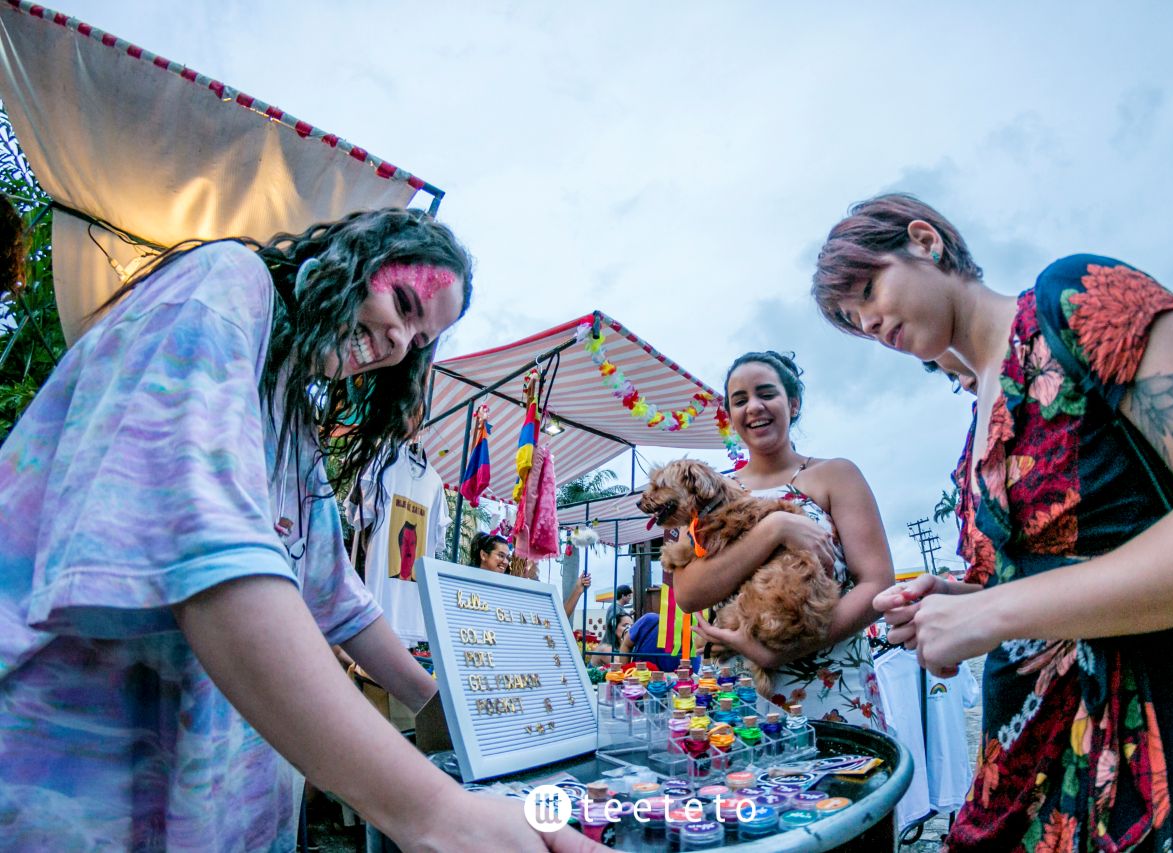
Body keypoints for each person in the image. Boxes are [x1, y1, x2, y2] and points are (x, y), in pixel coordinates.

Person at [0, 208, 602, 853]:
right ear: (351, 260)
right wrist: (433, 813)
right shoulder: (226, 282)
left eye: (419, 340)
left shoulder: (288, 409)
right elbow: (208, 557)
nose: (399, 342)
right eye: (401, 302)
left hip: (219, 805)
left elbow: (333, 597)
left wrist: (445, 715)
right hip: (83, 785)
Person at [812, 192, 1173, 850]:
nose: (869, 321)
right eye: (853, 322)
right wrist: (959, 605)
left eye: (867, 288)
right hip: (1039, 773)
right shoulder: (978, 422)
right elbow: (1042, 585)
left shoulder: (1072, 299)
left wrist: (993, 614)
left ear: (924, 240)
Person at [685, 351, 894, 728]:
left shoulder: (836, 475)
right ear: (730, 416)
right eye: (740, 400)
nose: (754, 407)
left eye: (767, 393)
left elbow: (877, 584)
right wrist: (775, 528)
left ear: (793, 403)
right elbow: (688, 594)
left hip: (831, 688)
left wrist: (779, 652)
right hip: (738, 693)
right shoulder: (713, 488)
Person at [469, 532, 590, 619]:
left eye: (507, 557)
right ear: (483, 555)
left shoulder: (513, 589)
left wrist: (577, 590)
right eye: (501, 555)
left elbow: (556, 618)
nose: (505, 562)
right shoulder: (466, 585)